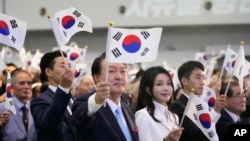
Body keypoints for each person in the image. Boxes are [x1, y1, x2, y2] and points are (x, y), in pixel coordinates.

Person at [72, 52, 139, 141]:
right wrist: (96, 101)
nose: (119, 77)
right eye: (111, 71)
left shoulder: (128, 107)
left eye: (123, 71)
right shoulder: (86, 103)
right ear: (96, 77)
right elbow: (79, 120)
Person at [170, 60, 226, 141]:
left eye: (204, 78)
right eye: (198, 77)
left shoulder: (202, 103)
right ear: (184, 81)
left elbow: (209, 128)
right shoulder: (178, 106)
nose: (203, 82)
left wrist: (215, 110)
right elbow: (195, 134)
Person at [30, 50, 76, 141]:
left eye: (70, 66)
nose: (68, 69)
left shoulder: (74, 99)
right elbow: (50, 123)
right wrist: (63, 88)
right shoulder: (40, 101)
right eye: (63, 66)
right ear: (48, 72)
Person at [135, 66, 183, 141]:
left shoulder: (174, 117)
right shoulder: (143, 115)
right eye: (159, 84)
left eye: (169, 83)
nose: (166, 88)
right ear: (148, 90)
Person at [0, 70, 37, 141]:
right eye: (21, 83)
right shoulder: (2, 108)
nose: (26, 87)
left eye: (29, 83)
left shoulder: (34, 108)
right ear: (12, 87)